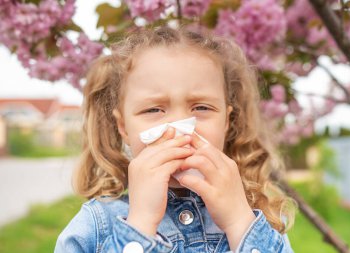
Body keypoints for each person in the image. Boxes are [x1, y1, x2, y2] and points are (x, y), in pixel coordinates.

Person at [55, 26, 295, 253]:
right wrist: (140, 224)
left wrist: (238, 222)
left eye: (201, 107)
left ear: (226, 122)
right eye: (153, 110)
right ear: (123, 127)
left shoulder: (257, 216)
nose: (181, 129)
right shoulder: (96, 226)